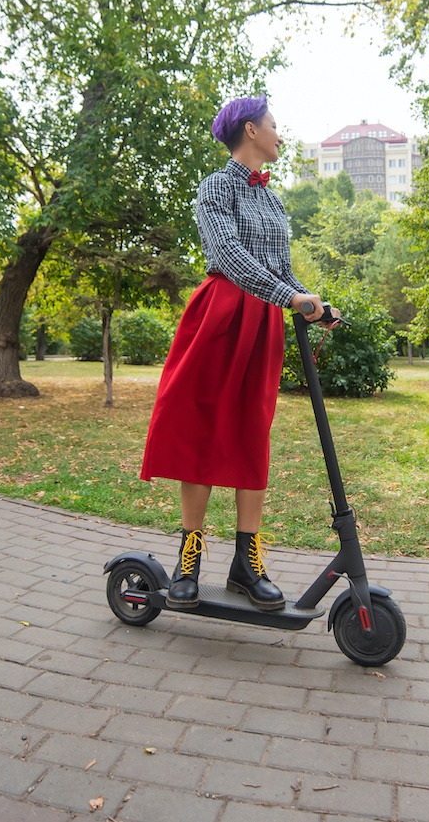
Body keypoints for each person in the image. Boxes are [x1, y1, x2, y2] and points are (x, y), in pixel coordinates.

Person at [138, 96, 339, 612]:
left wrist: (313, 302)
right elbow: (228, 255)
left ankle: (246, 565)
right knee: (203, 428)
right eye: (274, 125)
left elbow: (280, 270)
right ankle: (189, 557)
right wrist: (286, 295)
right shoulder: (215, 188)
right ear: (250, 130)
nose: (279, 133)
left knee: (252, 433)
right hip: (222, 316)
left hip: (264, 321)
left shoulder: (274, 201)